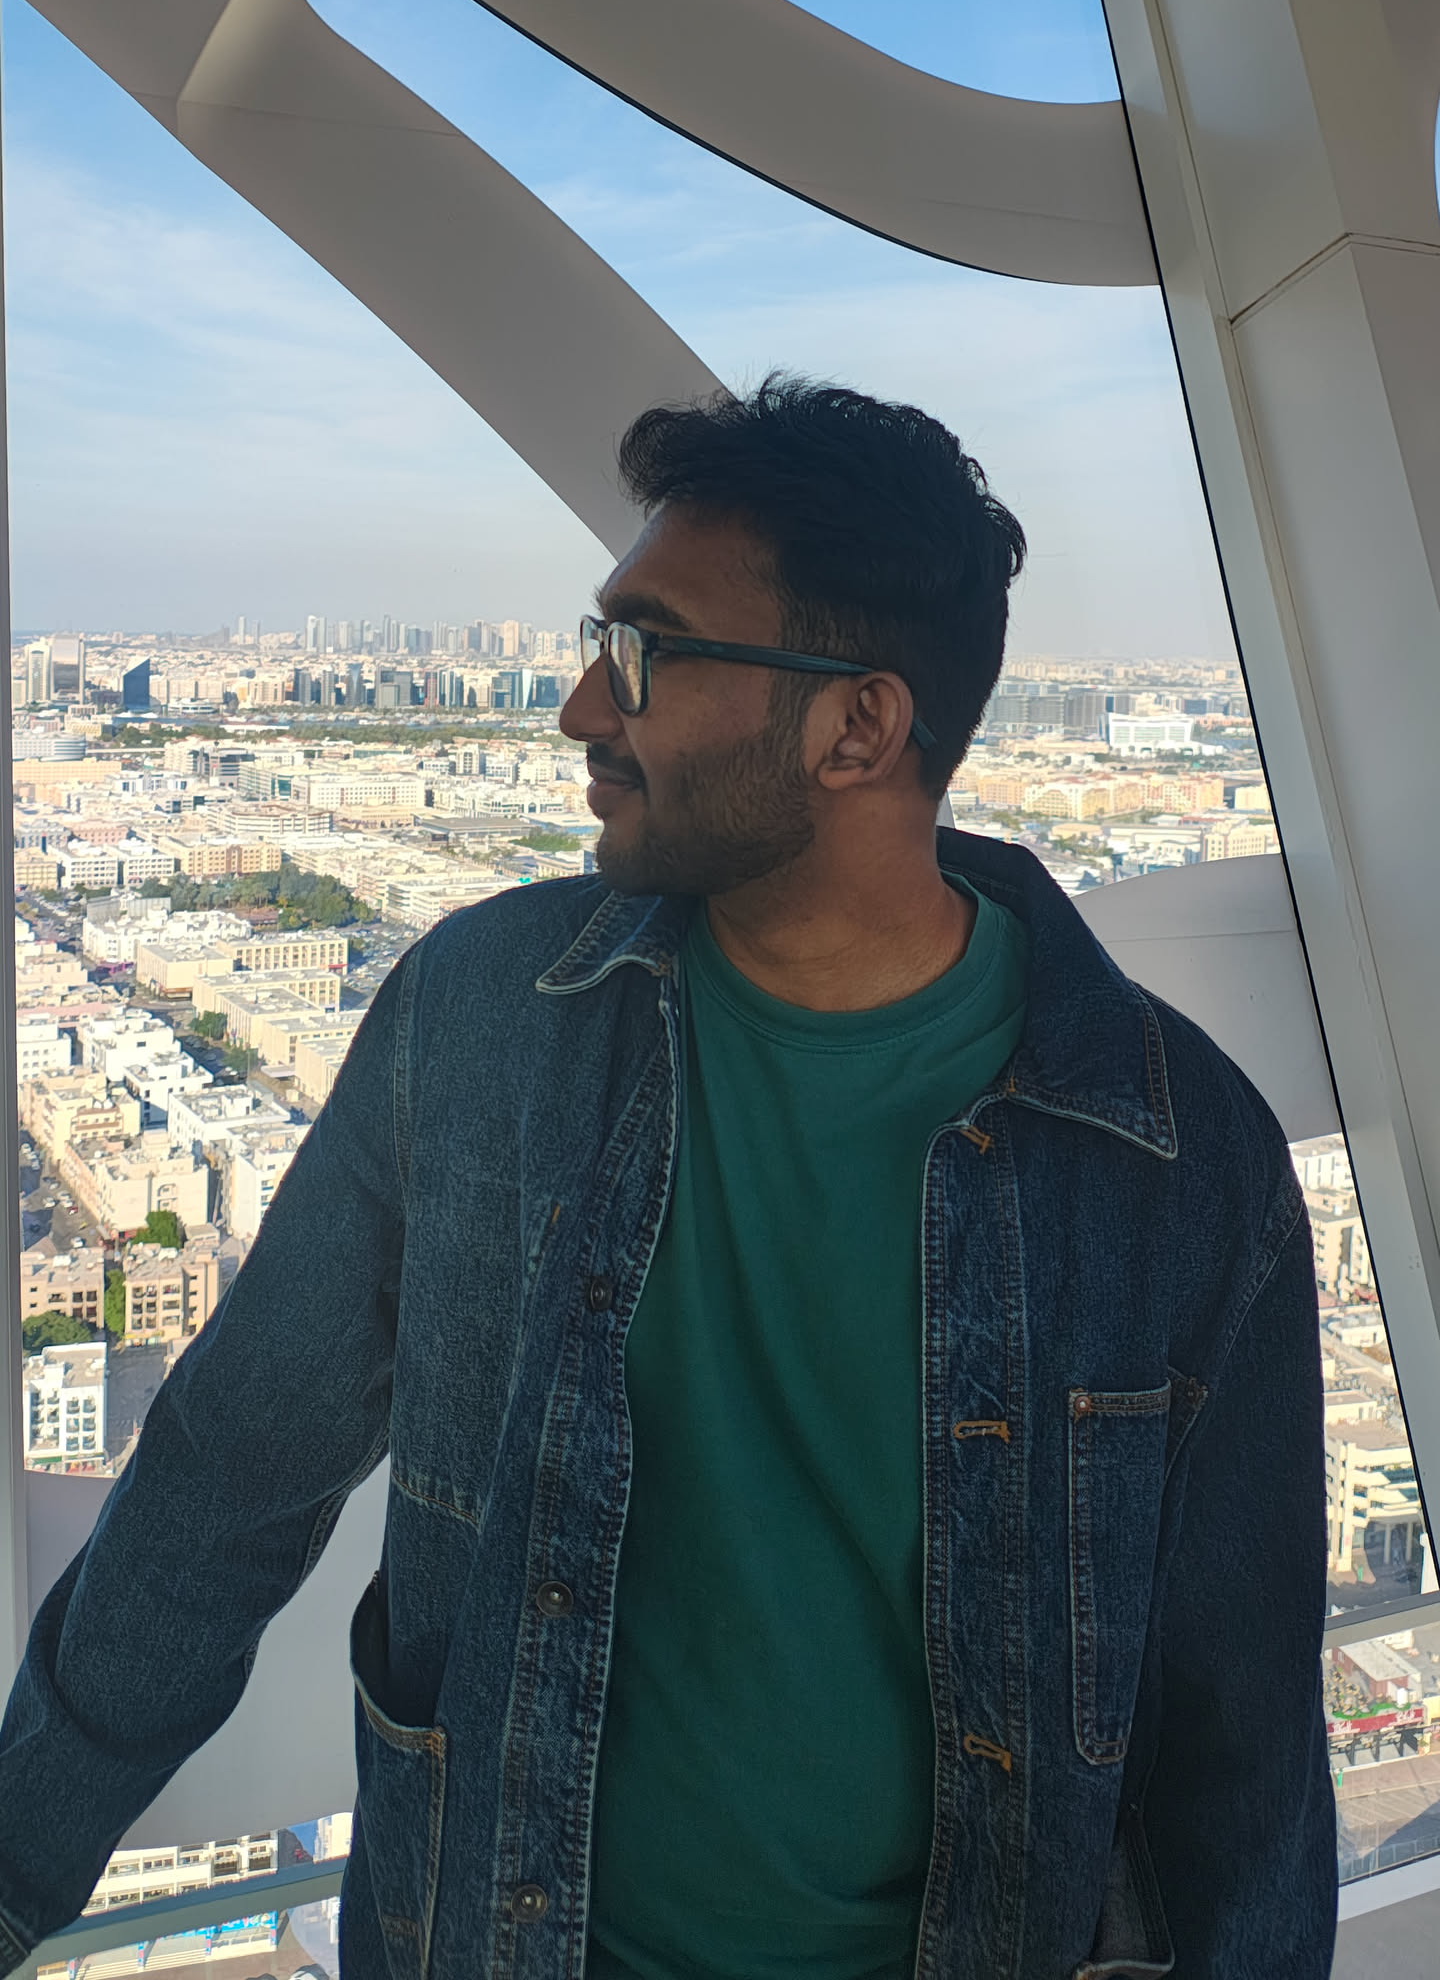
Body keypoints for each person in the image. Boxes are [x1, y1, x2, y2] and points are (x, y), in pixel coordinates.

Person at [0, 378, 1335, 1979]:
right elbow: (228, 1479)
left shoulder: (1180, 1164)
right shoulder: (480, 1021)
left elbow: (1240, 1755)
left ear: (857, 727)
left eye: (643, 652)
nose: (581, 707)